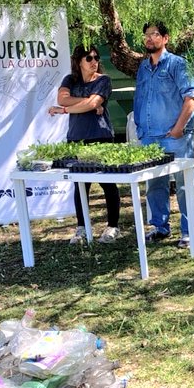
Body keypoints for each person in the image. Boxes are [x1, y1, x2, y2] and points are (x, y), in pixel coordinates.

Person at [134, 21, 194, 249]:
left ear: (165, 38)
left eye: (154, 34)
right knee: (154, 185)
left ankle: (189, 231)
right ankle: (160, 227)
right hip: (150, 137)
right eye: (146, 35)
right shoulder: (143, 68)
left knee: (184, 184)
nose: (149, 38)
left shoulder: (178, 64)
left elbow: (191, 98)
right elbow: (141, 97)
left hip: (176, 137)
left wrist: (179, 128)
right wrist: (140, 128)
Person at [47, 44, 120, 244]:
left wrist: (65, 110)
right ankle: (82, 227)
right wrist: (87, 101)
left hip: (101, 136)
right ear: (79, 61)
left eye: (96, 58)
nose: (94, 62)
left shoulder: (104, 80)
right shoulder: (70, 80)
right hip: (76, 138)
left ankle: (113, 226)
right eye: (89, 58)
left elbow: (91, 104)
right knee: (80, 184)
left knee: (107, 182)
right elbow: (62, 98)